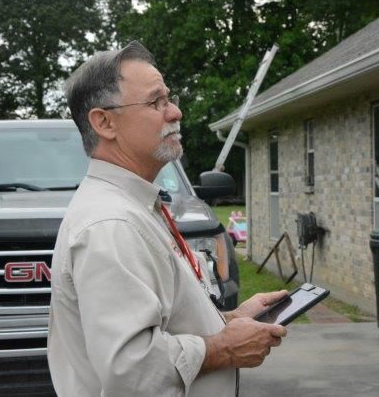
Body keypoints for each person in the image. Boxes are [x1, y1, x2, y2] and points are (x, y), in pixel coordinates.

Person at [47, 41, 288, 396]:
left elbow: (161, 324)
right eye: (155, 102)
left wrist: (229, 322)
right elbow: (130, 366)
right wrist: (224, 347)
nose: (175, 112)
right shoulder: (111, 225)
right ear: (104, 122)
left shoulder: (131, 207)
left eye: (169, 99)